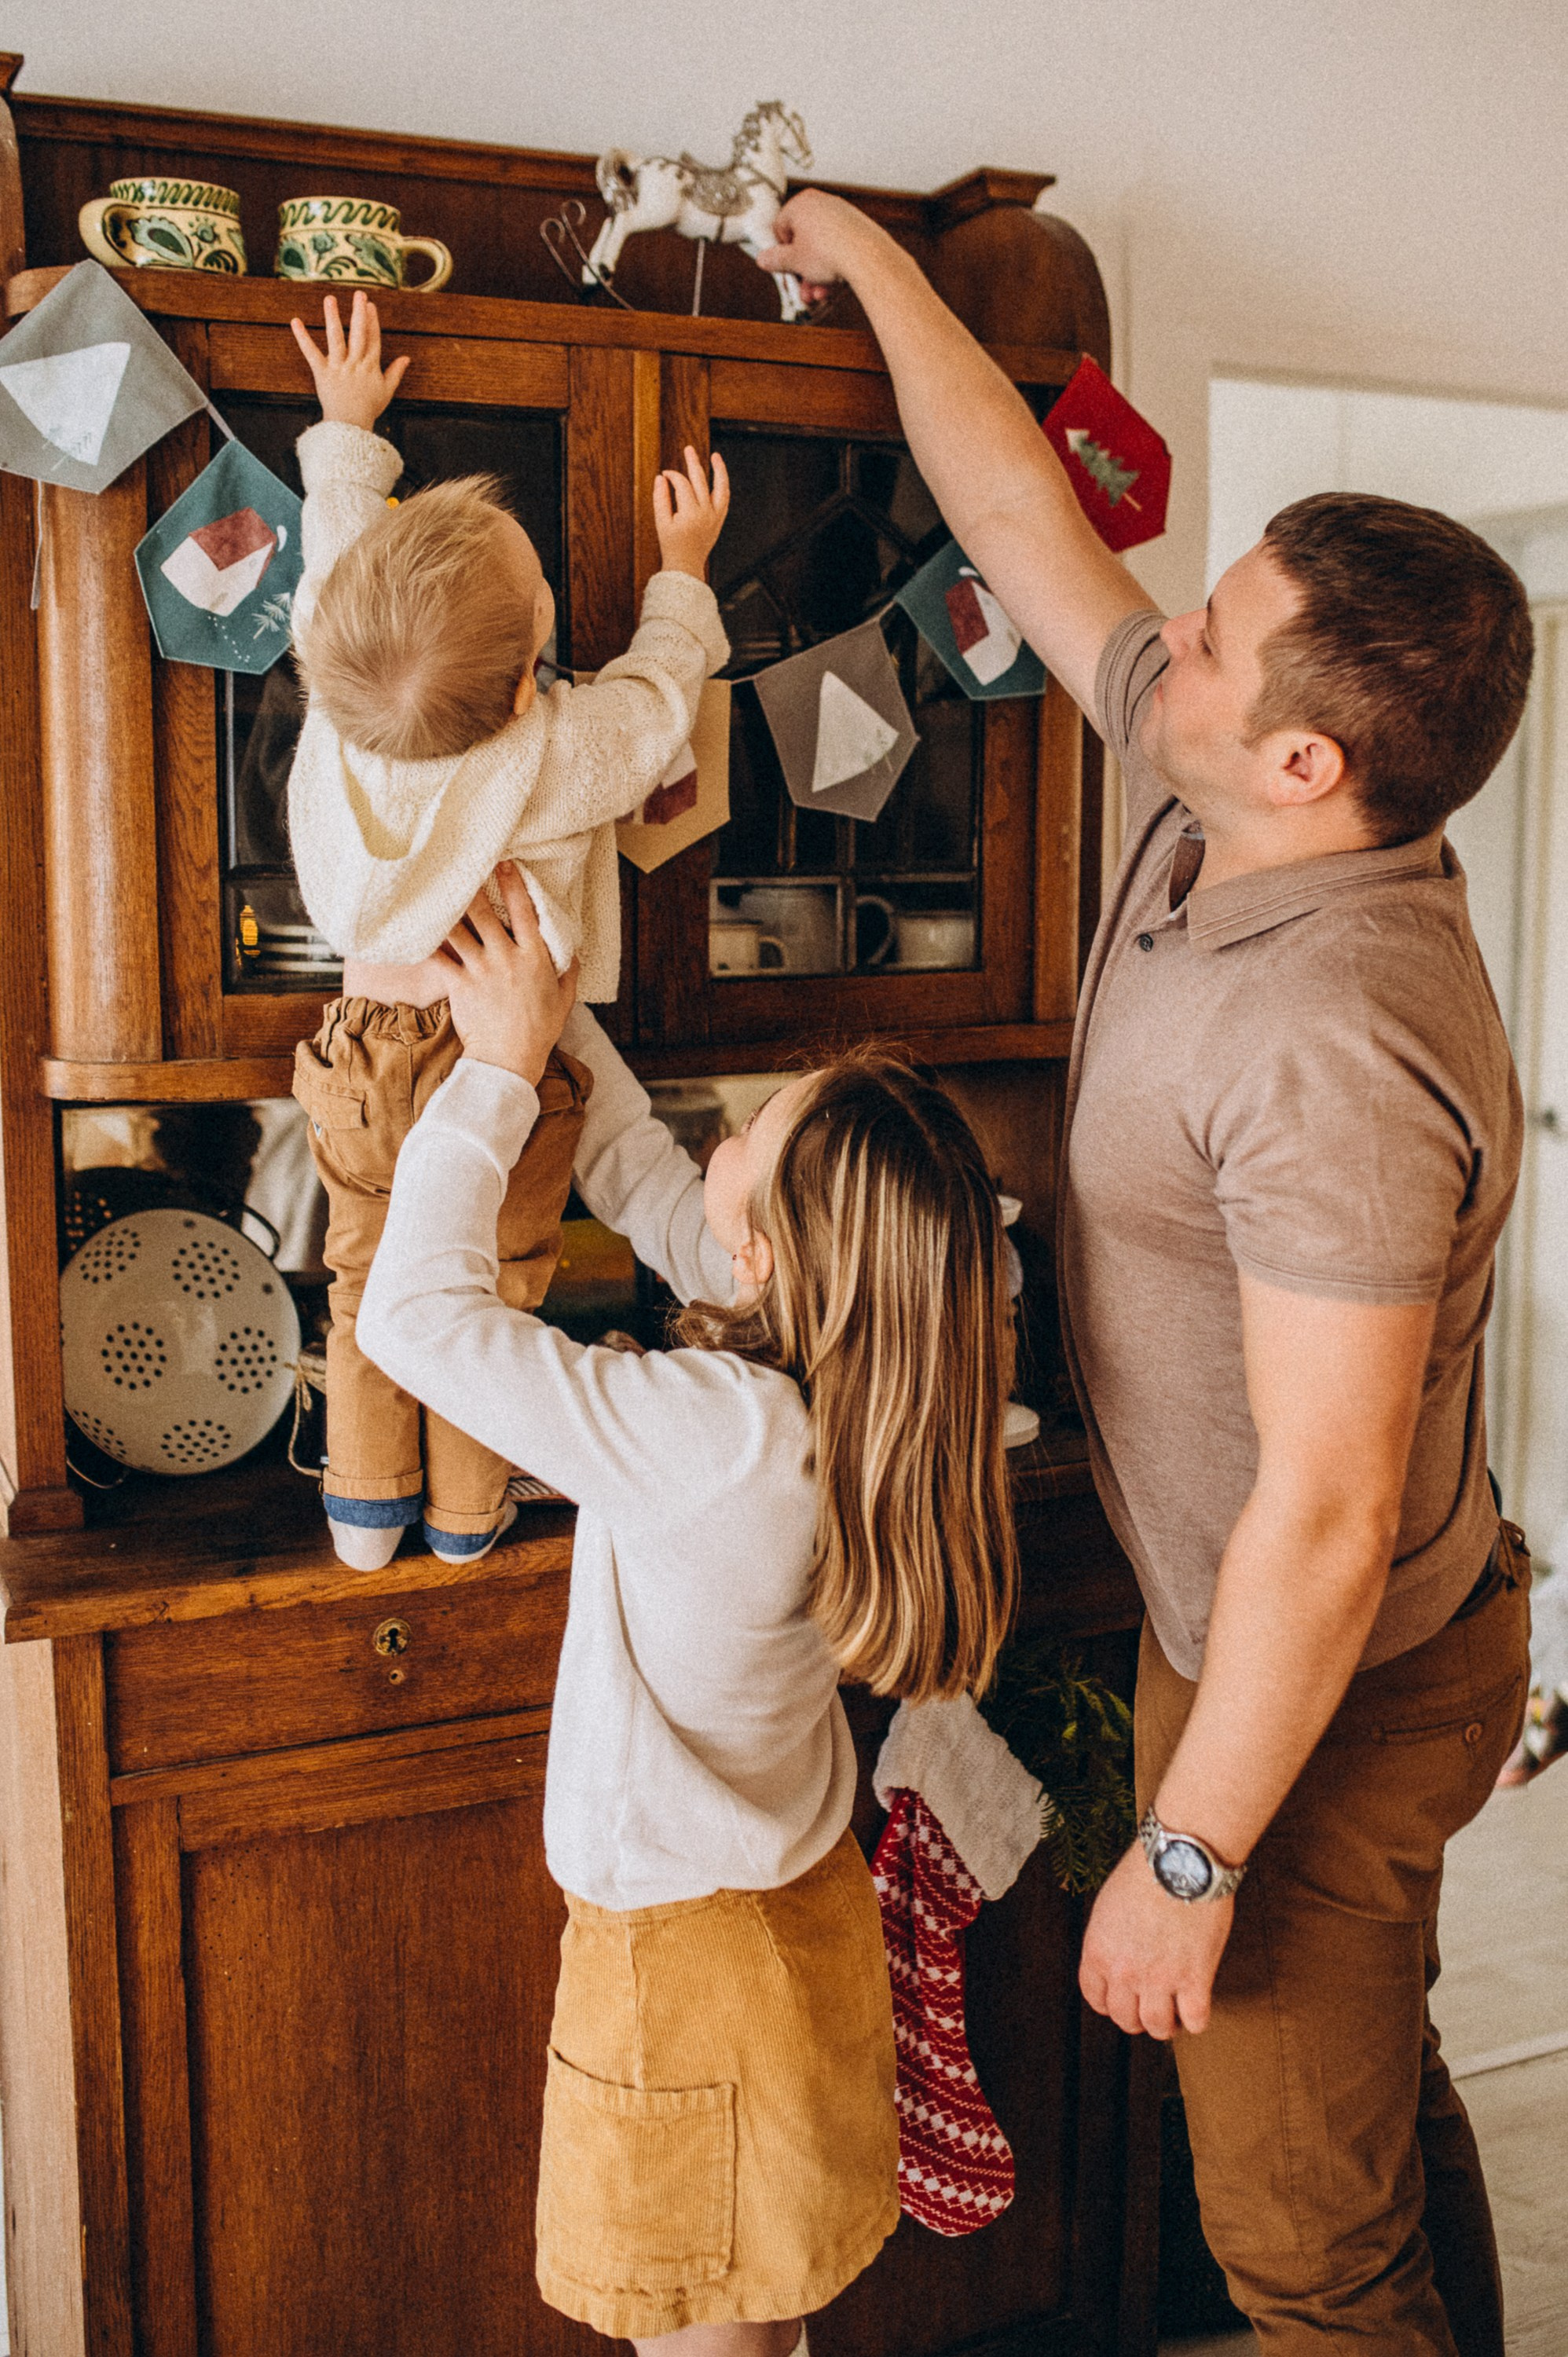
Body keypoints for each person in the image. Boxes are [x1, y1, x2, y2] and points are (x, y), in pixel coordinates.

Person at [755, 192, 1535, 2354]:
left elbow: (1325, 1503)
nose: (1153, 642)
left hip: (1331, 1682)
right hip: (1270, 1633)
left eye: (1206, 637)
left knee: (1294, 2243)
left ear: (1310, 761)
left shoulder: (1337, 1040)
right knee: (1363, 2130)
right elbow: (1023, 526)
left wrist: (1188, 1853)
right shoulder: (1222, 810)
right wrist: (885, 272)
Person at [354, 865, 1019, 2357]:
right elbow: (652, 1174)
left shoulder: (720, 1435)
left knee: (702, 2339)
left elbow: (413, 1319)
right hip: (799, 1932)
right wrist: (548, 997)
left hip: (683, 1971)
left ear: (768, 1260)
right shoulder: (864, 1384)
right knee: (757, 2328)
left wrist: (505, 1073)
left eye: (751, 1146)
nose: (717, 1141)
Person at [283, 289, 731, 1572]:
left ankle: (365, 1512)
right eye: (543, 591)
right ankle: (470, 1517)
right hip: (514, 1052)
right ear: (536, 666)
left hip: (364, 1046)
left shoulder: (339, 693)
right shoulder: (550, 749)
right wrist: (681, 577)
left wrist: (346, 432)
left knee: (367, 1276)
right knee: (499, 1285)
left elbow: (337, 556)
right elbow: (655, 703)